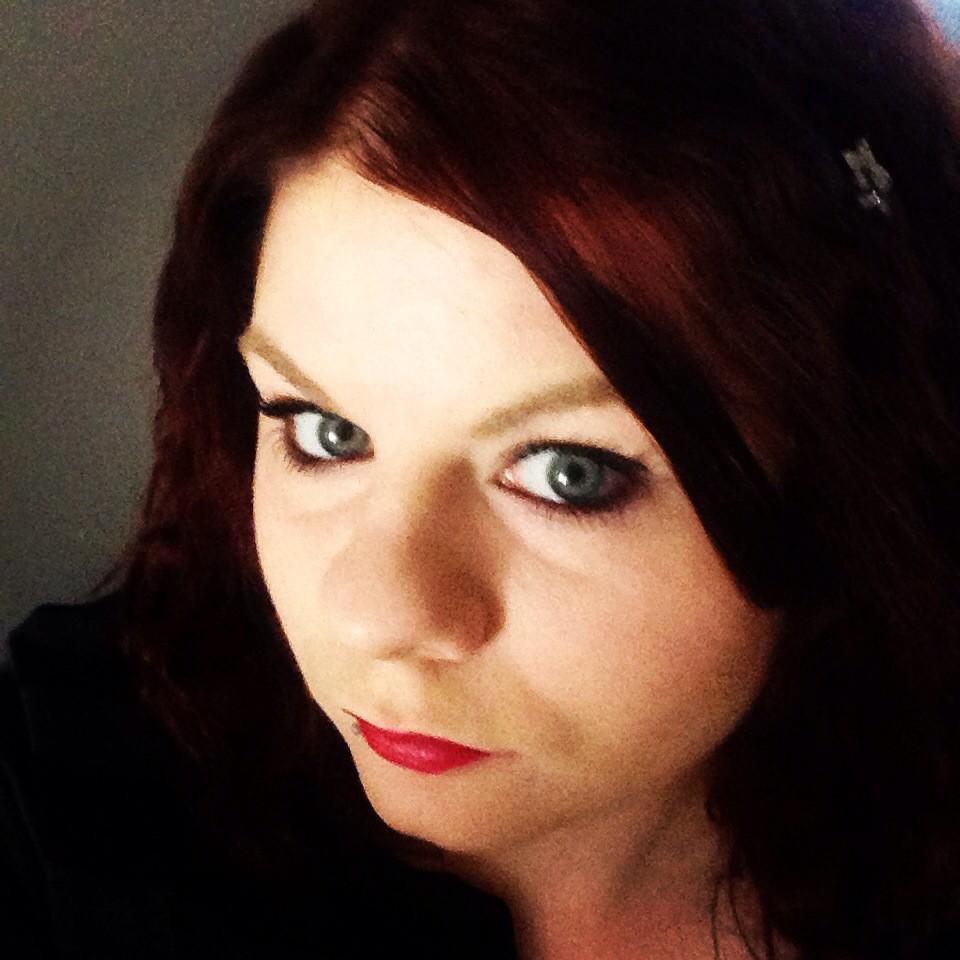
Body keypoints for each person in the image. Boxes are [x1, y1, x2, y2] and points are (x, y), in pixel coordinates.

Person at [2, 1, 960, 957]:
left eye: (568, 474)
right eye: (326, 432)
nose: (374, 617)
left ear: (846, 478)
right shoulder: (70, 800)